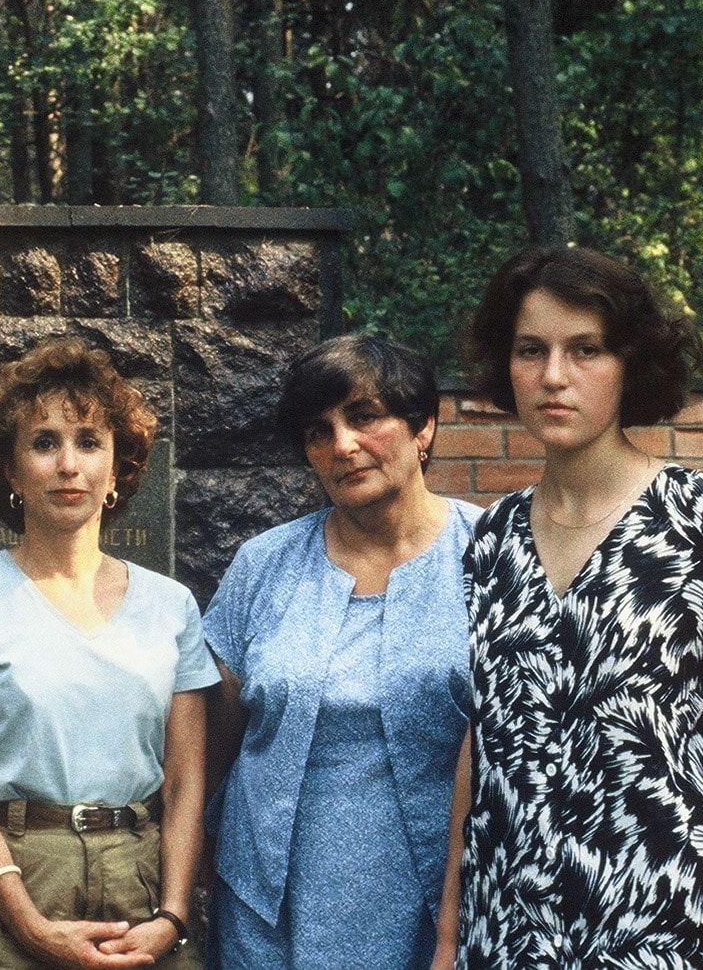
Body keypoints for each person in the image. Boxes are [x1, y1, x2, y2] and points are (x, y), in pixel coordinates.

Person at [435, 246, 703, 969]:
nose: (553, 376)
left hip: (657, 922)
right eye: (532, 350)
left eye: (584, 349)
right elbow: (483, 740)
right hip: (508, 929)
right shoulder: (489, 537)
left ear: (630, 362)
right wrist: (449, 933)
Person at [0, 336, 217, 968]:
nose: (69, 465)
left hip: (138, 896)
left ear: (119, 467)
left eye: (89, 442)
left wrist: (173, 916)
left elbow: (184, 784)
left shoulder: (172, 605)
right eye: (44, 443)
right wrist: (32, 927)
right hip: (4, 886)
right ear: (9, 470)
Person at [201, 333, 480, 969]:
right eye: (318, 431)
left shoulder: (492, 554)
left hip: (435, 908)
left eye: (363, 417)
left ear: (423, 428)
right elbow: (215, 745)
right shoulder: (264, 565)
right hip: (267, 903)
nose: (342, 446)